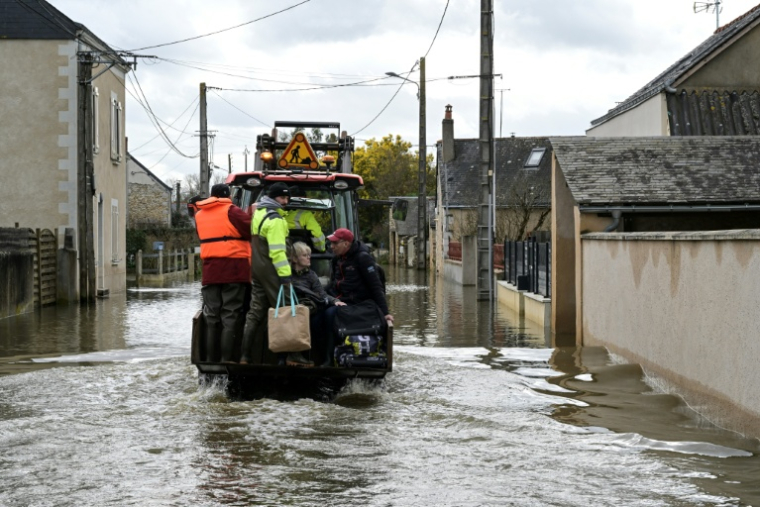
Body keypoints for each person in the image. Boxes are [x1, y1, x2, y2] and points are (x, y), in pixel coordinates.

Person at [240, 182, 311, 366]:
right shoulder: (276, 220)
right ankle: (293, 356)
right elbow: (278, 252)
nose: (285, 201)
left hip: (256, 270)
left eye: (287, 198)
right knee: (288, 309)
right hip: (273, 271)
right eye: (282, 197)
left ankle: (245, 356)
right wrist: (285, 277)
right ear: (272, 198)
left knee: (255, 313)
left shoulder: (259, 214)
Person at [194, 183, 251, 363]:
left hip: (210, 272)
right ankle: (227, 359)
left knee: (211, 316)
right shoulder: (232, 211)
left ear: (211, 195)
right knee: (230, 314)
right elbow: (252, 229)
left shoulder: (199, 215)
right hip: (233, 271)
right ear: (228, 196)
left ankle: (211, 360)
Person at [325, 228, 393, 364]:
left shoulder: (363, 258)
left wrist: (385, 313)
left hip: (357, 303)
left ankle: (329, 358)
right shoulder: (336, 260)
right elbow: (333, 285)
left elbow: (376, 287)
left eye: (335, 243)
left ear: (346, 243)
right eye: (331, 243)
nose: (331, 247)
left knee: (329, 315)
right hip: (340, 301)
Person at [289, 241, 346, 365]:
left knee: (323, 318)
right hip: (293, 311)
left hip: (310, 310)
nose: (309, 258)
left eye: (309, 255)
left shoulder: (311, 275)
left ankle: (323, 358)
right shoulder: (287, 275)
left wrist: (335, 301)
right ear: (295, 258)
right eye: (305, 255)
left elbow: (321, 294)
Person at [284, 187, 326, 252]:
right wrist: (322, 249)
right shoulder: (305, 215)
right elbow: (317, 236)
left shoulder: (277, 213)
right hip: (303, 254)